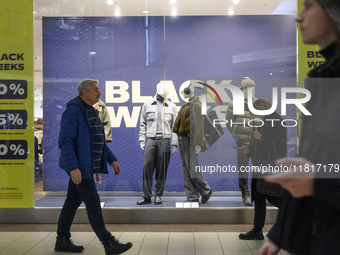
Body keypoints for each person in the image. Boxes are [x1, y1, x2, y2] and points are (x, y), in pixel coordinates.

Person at [259, 1, 340, 254]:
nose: (299, 17)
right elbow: (314, 164)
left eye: (309, 6)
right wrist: (279, 235)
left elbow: (315, 176)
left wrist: (316, 181)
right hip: (325, 231)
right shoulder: (321, 78)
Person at [56, 79, 132, 255]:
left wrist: (111, 160)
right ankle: (108, 243)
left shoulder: (91, 111)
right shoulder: (73, 112)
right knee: (93, 204)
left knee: (72, 202)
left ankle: (62, 240)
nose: (99, 93)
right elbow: (65, 142)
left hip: (86, 165)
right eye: (96, 90)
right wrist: (74, 167)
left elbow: (99, 141)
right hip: (80, 167)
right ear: (85, 92)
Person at [238, 99, 287, 240]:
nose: (257, 115)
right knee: (260, 196)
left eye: (257, 112)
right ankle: (257, 230)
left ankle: (297, 217)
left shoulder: (277, 120)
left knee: (272, 195)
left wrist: (262, 137)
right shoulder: (267, 121)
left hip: (270, 166)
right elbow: (263, 147)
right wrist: (249, 149)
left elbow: (280, 145)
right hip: (262, 164)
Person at [137, 81, 178, 205]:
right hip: (151, 140)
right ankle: (146, 195)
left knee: (162, 169)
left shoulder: (172, 106)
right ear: (158, 91)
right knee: (147, 167)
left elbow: (175, 127)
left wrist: (174, 142)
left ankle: (158, 195)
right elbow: (142, 124)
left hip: (165, 141)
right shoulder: (147, 105)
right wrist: (142, 139)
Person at [172, 84, 213, 203]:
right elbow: (177, 124)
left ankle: (205, 190)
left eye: (184, 91)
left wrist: (198, 143)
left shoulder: (196, 105)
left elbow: (199, 125)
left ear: (188, 91)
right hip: (182, 140)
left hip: (190, 140)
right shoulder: (186, 106)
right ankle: (192, 196)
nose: (183, 93)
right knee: (186, 168)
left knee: (192, 168)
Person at [225, 77, 257, 206]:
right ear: (242, 90)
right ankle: (245, 194)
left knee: (259, 169)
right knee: (243, 169)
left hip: (256, 142)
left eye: (253, 89)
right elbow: (229, 122)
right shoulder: (234, 104)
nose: (251, 91)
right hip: (241, 142)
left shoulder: (258, 103)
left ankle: (260, 193)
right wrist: (236, 135)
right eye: (248, 89)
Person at [93, 99, 112, 185]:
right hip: (84, 142)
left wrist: (105, 139)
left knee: (96, 169)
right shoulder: (80, 105)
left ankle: (94, 193)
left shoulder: (101, 106)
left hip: (97, 142)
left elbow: (106, 123)